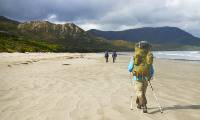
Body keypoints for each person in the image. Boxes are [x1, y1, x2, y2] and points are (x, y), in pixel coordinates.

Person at [128, 41, 154, 113]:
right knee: (142, 92)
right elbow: (151, 68)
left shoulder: (135, 57)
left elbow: (129, 68)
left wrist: (132, 70)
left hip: (137, 78)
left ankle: (144, 105)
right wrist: (150, 76)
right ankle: (139, 104)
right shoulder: (148, 57)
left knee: (139, 92)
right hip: (146, 78)